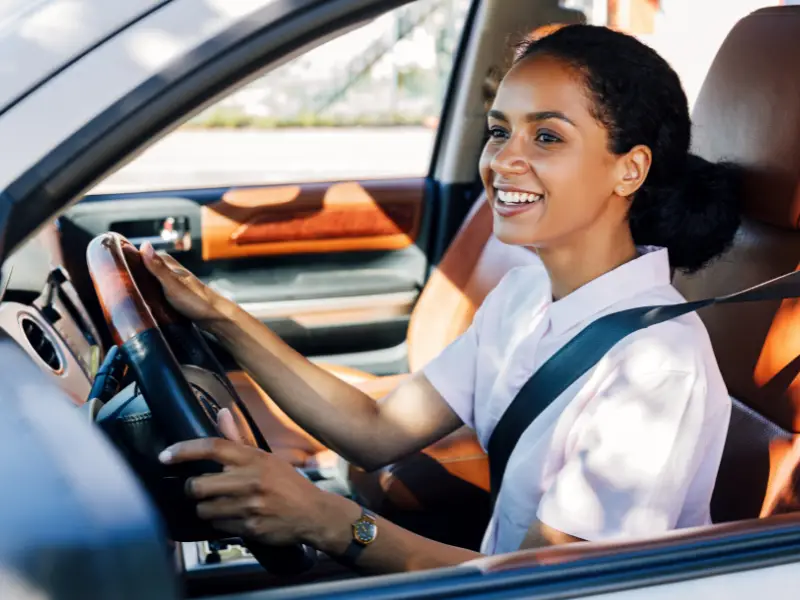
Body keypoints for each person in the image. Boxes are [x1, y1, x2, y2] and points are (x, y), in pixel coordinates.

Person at [144, 24, 741, 573]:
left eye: (547, 136)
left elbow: (551, 586)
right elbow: (375, 429)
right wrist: (217, 315)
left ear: (629, 170)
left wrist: (328, 519)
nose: (504, 160)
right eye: (500, 131)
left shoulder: (657, 365)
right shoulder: (525, 293)